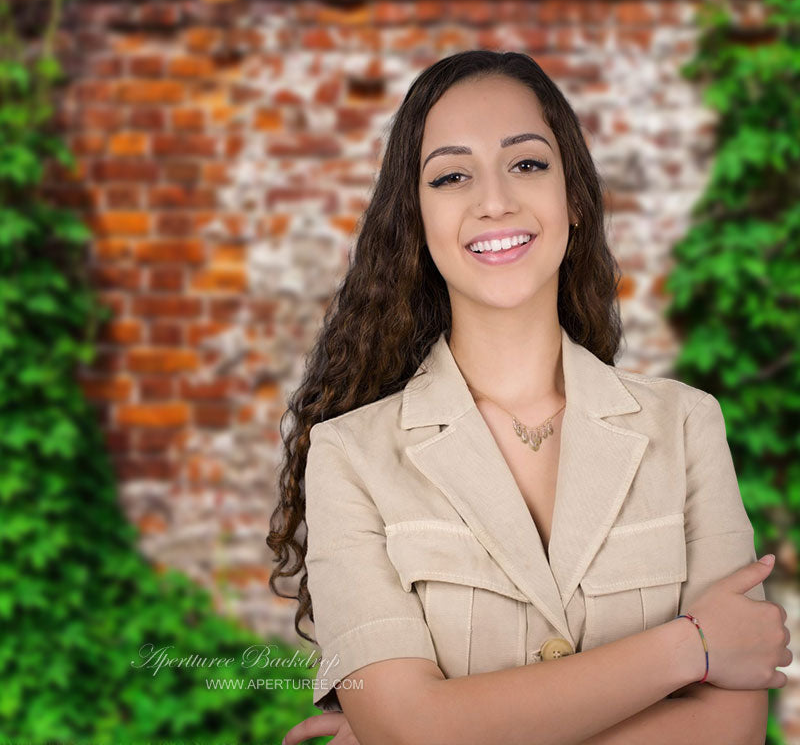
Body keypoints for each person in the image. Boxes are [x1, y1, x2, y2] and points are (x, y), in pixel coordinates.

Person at [267, 50, 791, 745]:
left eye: (527, 163)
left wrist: (440, 729)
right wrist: (690, 647)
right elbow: (410, 730)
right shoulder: (349, 457)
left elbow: (731, 729)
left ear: (572, 196)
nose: (494, 201)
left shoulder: (688, 426)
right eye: (452, 176)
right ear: (416, 221)